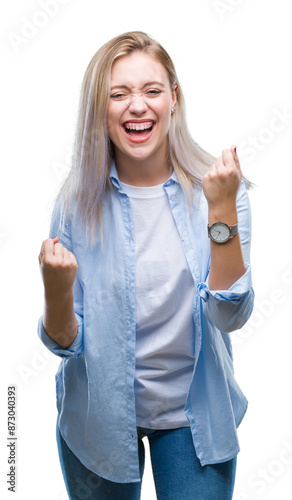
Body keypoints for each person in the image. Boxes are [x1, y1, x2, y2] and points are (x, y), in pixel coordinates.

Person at [38, 31, 254, 500]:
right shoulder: (75, 204)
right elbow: (62, 344)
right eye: (119, 94)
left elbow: (230, 314)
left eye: (152, 90)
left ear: (173, 99)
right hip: (99, 419)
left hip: (192, 417)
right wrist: (57, 293)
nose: (137, 106)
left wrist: (221, 215)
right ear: (102, 108)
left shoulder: (218, 191)